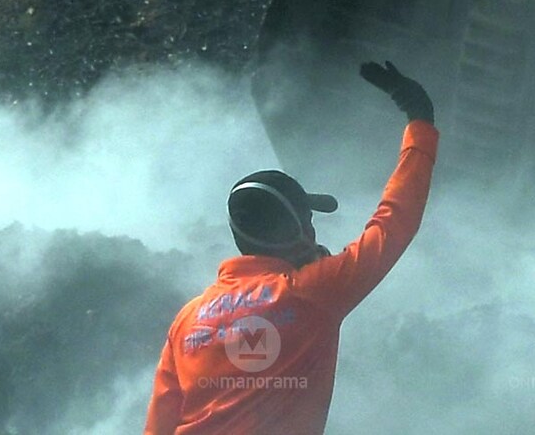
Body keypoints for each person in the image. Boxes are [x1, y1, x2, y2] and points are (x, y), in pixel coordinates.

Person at [144, 61, 439, 435]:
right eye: (310, 222)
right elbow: (395, 220)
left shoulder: (187, 320)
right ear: (299, 230)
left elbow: (156, 429)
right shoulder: (313, 291)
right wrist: (420, 120)